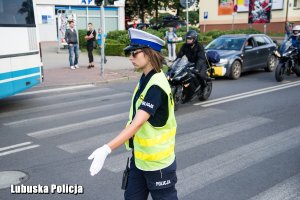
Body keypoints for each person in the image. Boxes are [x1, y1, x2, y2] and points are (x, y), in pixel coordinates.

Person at [88, 28, 178, 200]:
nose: (130, 58)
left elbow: (137, 123)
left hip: (158, 165)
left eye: (134, 53)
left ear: (149, 53)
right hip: (140, 160)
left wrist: (107, 149)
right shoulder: (146, 78)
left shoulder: (156, 86)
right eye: (129, 53)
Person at [176, 30, 208, 99]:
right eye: (187, 39)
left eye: (190, 39)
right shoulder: (185, 46)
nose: (188, 40)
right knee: (183, 74)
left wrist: (197, 68)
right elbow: (179, 55)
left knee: (200, 75)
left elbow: (201, 58)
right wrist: (174, 64)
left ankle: (204, 87)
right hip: (190, 63)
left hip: (200, 64)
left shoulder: (199, 46)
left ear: (194, 39)